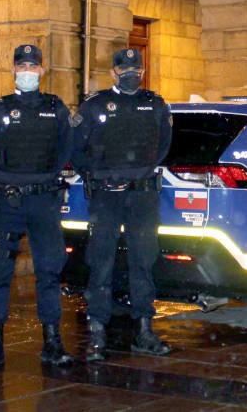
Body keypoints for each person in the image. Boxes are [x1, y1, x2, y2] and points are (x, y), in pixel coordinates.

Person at [0, 44, 74, 369]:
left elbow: (66, 147)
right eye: (23, 65)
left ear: (43, 71)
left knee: (49, 271)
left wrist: (51, 176)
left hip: (44, 201)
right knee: (0, 273)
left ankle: (52, 343)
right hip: (10, 203)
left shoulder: (56, 108)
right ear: (14, 70)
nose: (28, 70)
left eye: (33, 65)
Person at [72, 48, 172, 361]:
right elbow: (75, 148)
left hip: (142, 195)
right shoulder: (94, 105)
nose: (131, 74)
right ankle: (97, 332)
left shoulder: (154, 104)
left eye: (137, 70)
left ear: (142, 72)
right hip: (107, 196)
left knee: (143, 261)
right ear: (114, 71)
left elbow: (163, 147)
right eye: (125, 69)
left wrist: (135, 174)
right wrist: (100, 175)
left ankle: (144, 329)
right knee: (100, 261)